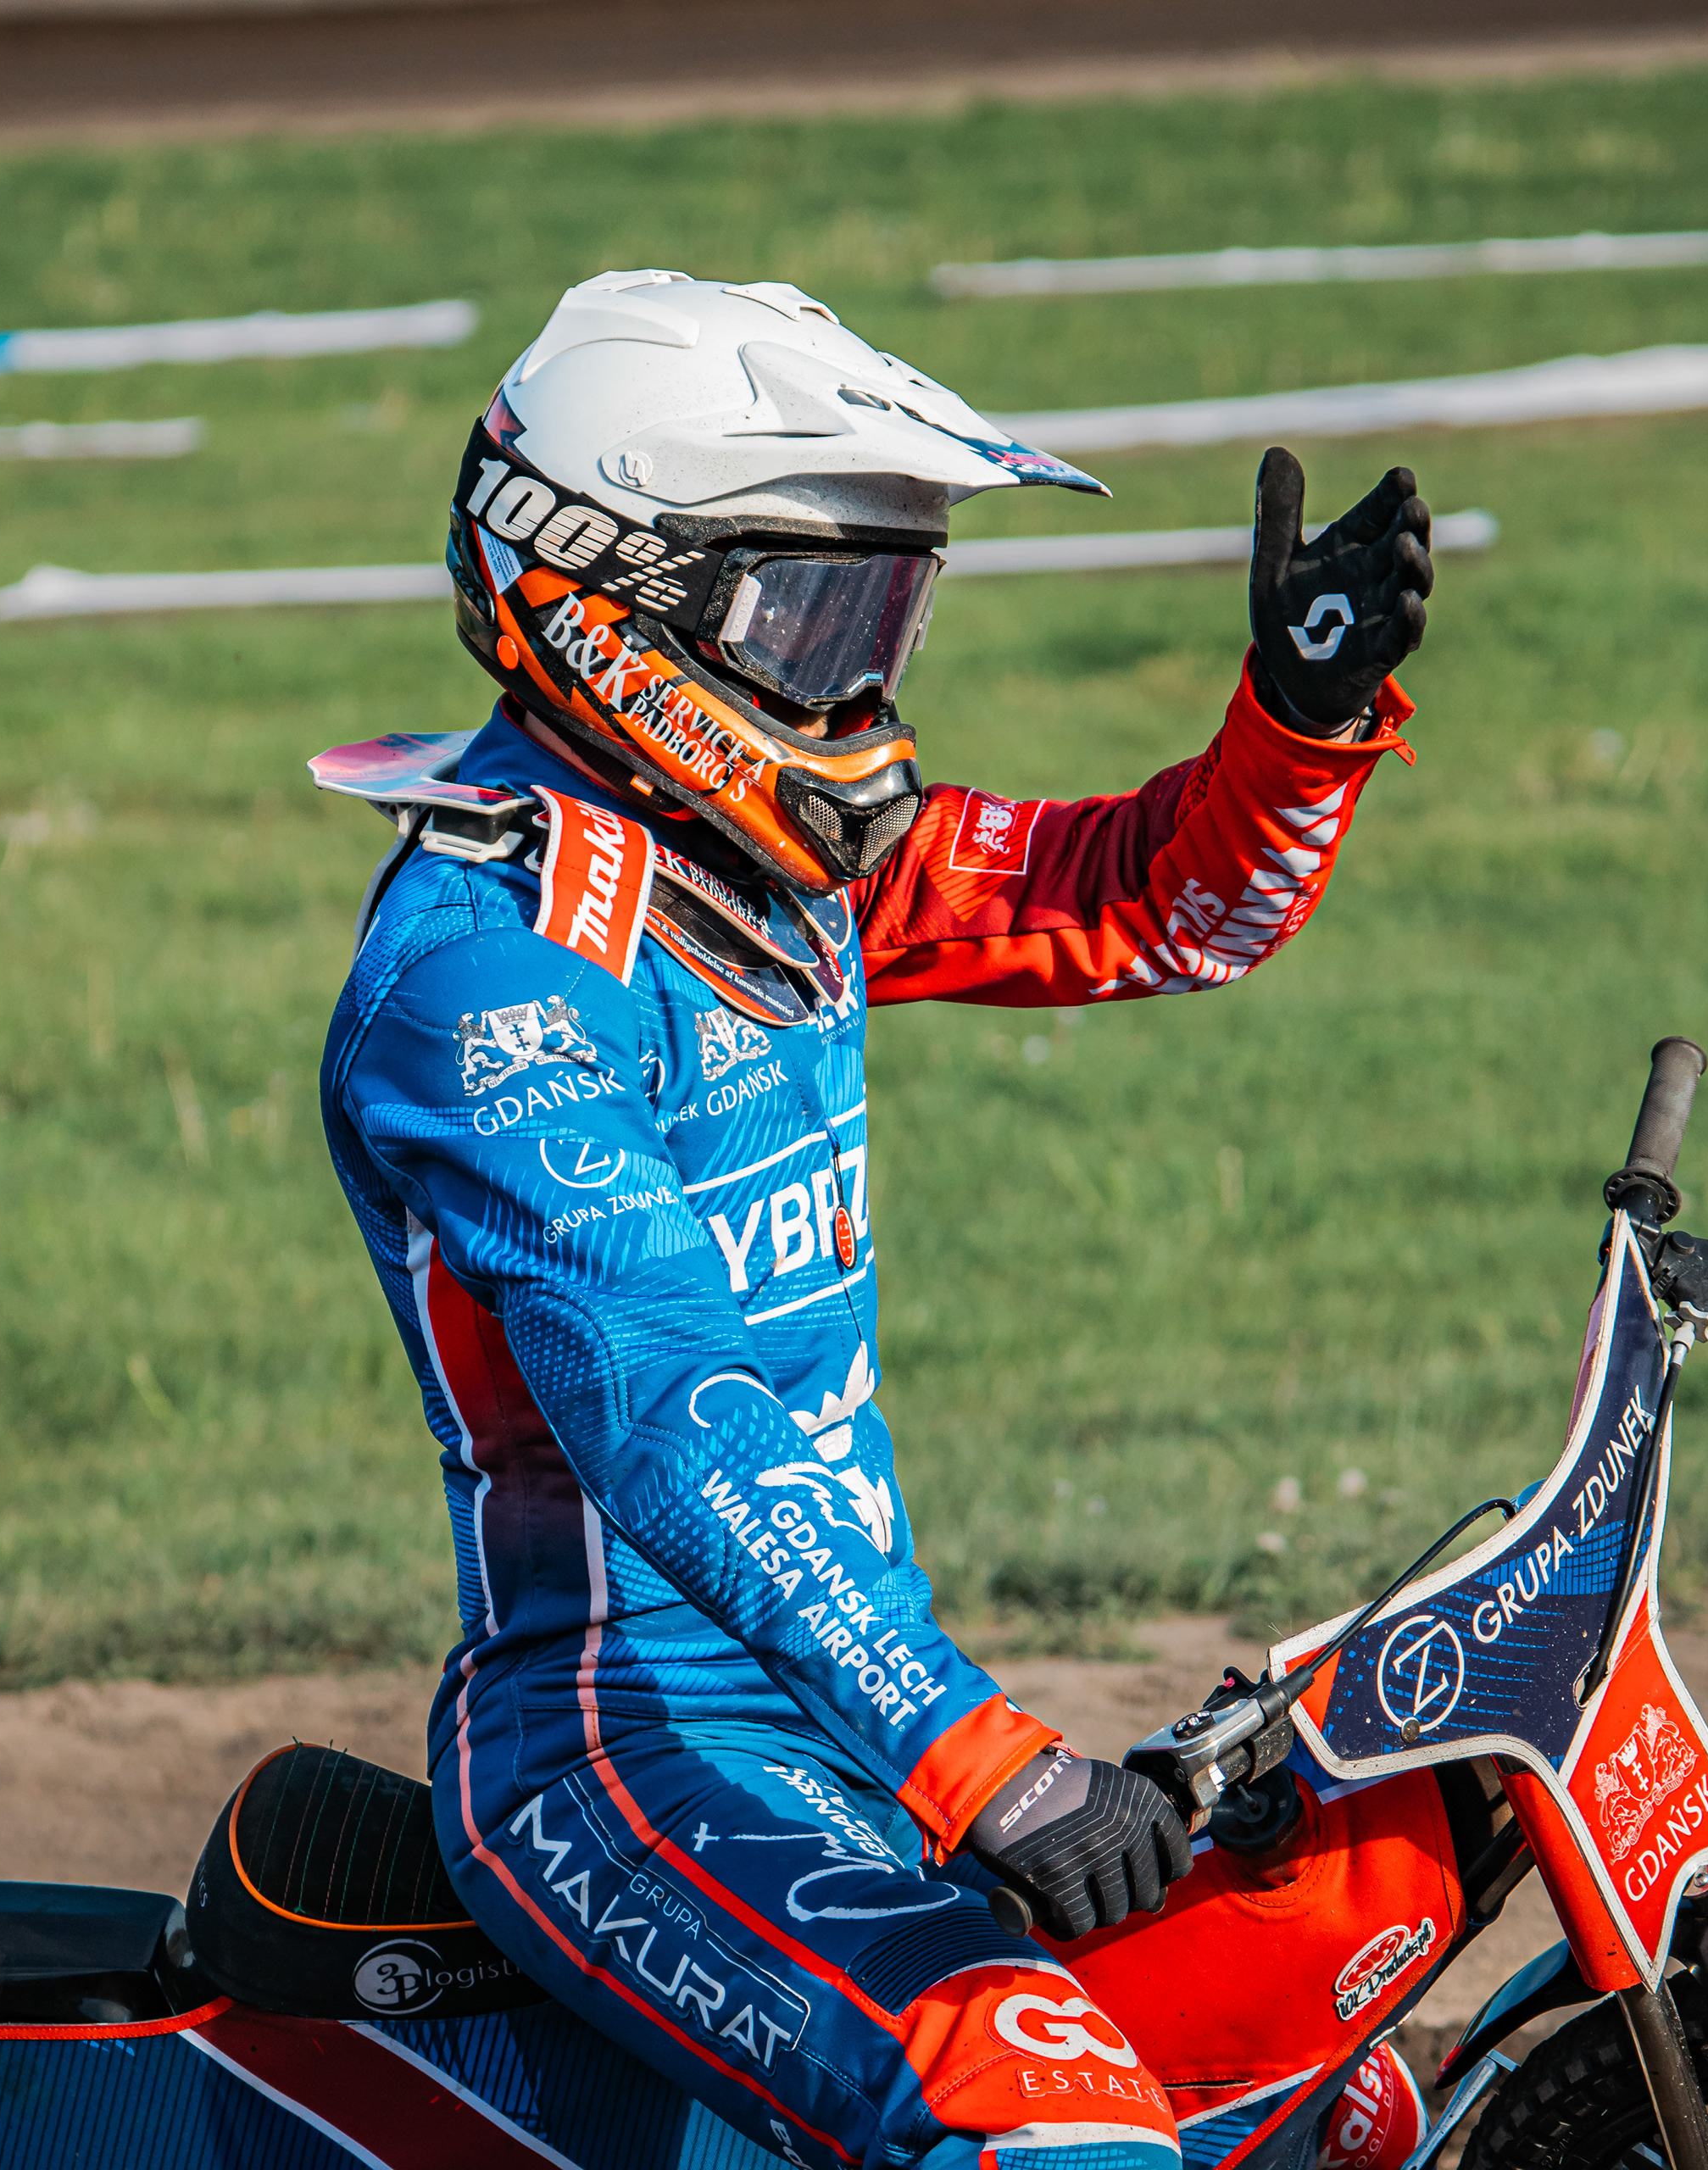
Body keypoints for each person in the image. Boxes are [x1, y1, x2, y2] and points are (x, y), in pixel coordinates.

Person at [314, 270, 1433, 2170]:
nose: (857, 683)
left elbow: (1150, 904)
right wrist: (988, 1765)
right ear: (610, 607)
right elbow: (670, 1410)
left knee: (1331, 2056)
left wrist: (1299, 720)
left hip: (851, 1716)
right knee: (1043, 2116)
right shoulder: (489, 975)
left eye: (885, 615)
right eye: (811, 615)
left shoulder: (768, 866)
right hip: (628, 1743)